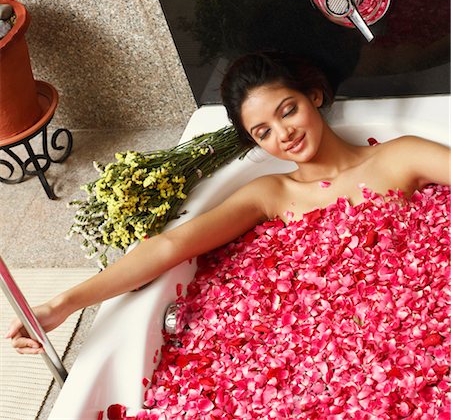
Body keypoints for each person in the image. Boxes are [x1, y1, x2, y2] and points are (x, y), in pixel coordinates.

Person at [6, 51, 450, 354]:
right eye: (263, 132)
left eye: (288, 110)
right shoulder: (272, 194)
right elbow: (169, 247)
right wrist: (60, 306)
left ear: (314, 96)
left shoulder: (398, 157)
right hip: (321, 350)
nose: (284, 135)